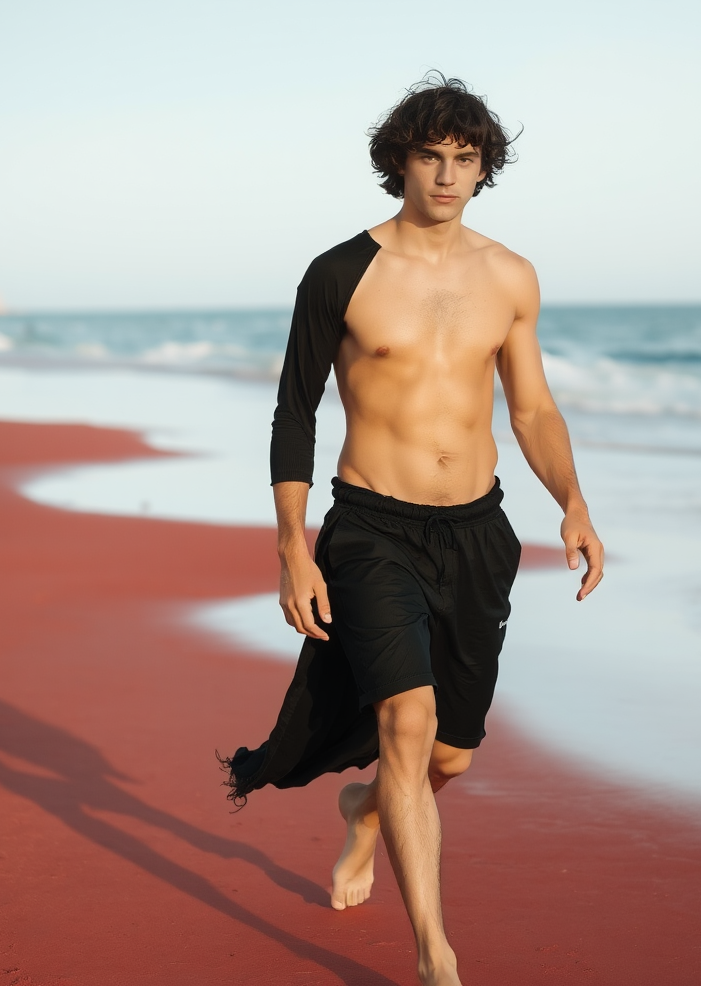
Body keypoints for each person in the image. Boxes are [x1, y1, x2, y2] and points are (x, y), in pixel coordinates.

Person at [220, 74, 604, 986]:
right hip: (371, 530)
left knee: (453, 754)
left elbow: (535, 408)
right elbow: (293, 411)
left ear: (484, 168)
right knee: (406, 718)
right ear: (398, 159)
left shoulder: (510, 276)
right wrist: (290, 543)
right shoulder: (340, 272)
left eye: (465, 159)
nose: (446, 175)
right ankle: (435, 954)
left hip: (475, 533)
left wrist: (575, 502)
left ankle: (366, 811)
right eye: (430, 156)